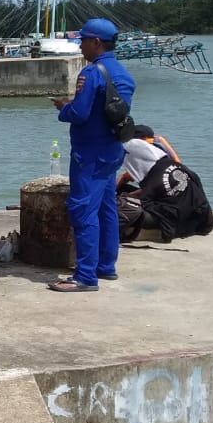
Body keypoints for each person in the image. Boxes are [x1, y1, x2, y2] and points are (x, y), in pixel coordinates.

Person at [49, 18, 134, 292]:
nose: (80, 45)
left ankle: (85, 276)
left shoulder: (91, 73)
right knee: (106, 208)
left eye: (83, 40)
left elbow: (80, 113)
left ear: (96, 42)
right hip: (111, 150)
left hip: (89, 153)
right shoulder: (122, 74)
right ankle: (106, 266)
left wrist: (64, 107)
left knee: (83, 210)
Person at [118, 138, 213, 242]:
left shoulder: (153, 178)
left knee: (130, 209)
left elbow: (145, 201)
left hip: (175, 220)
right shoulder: (173, 164)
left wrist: (124, 196)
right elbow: (159, 190)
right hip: (196, 215)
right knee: (127, 192)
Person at [117, 124, 180, 188]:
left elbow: (127, 176)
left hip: (158, 189)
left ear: (144, 138)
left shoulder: (145, 150)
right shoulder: (160, 144)